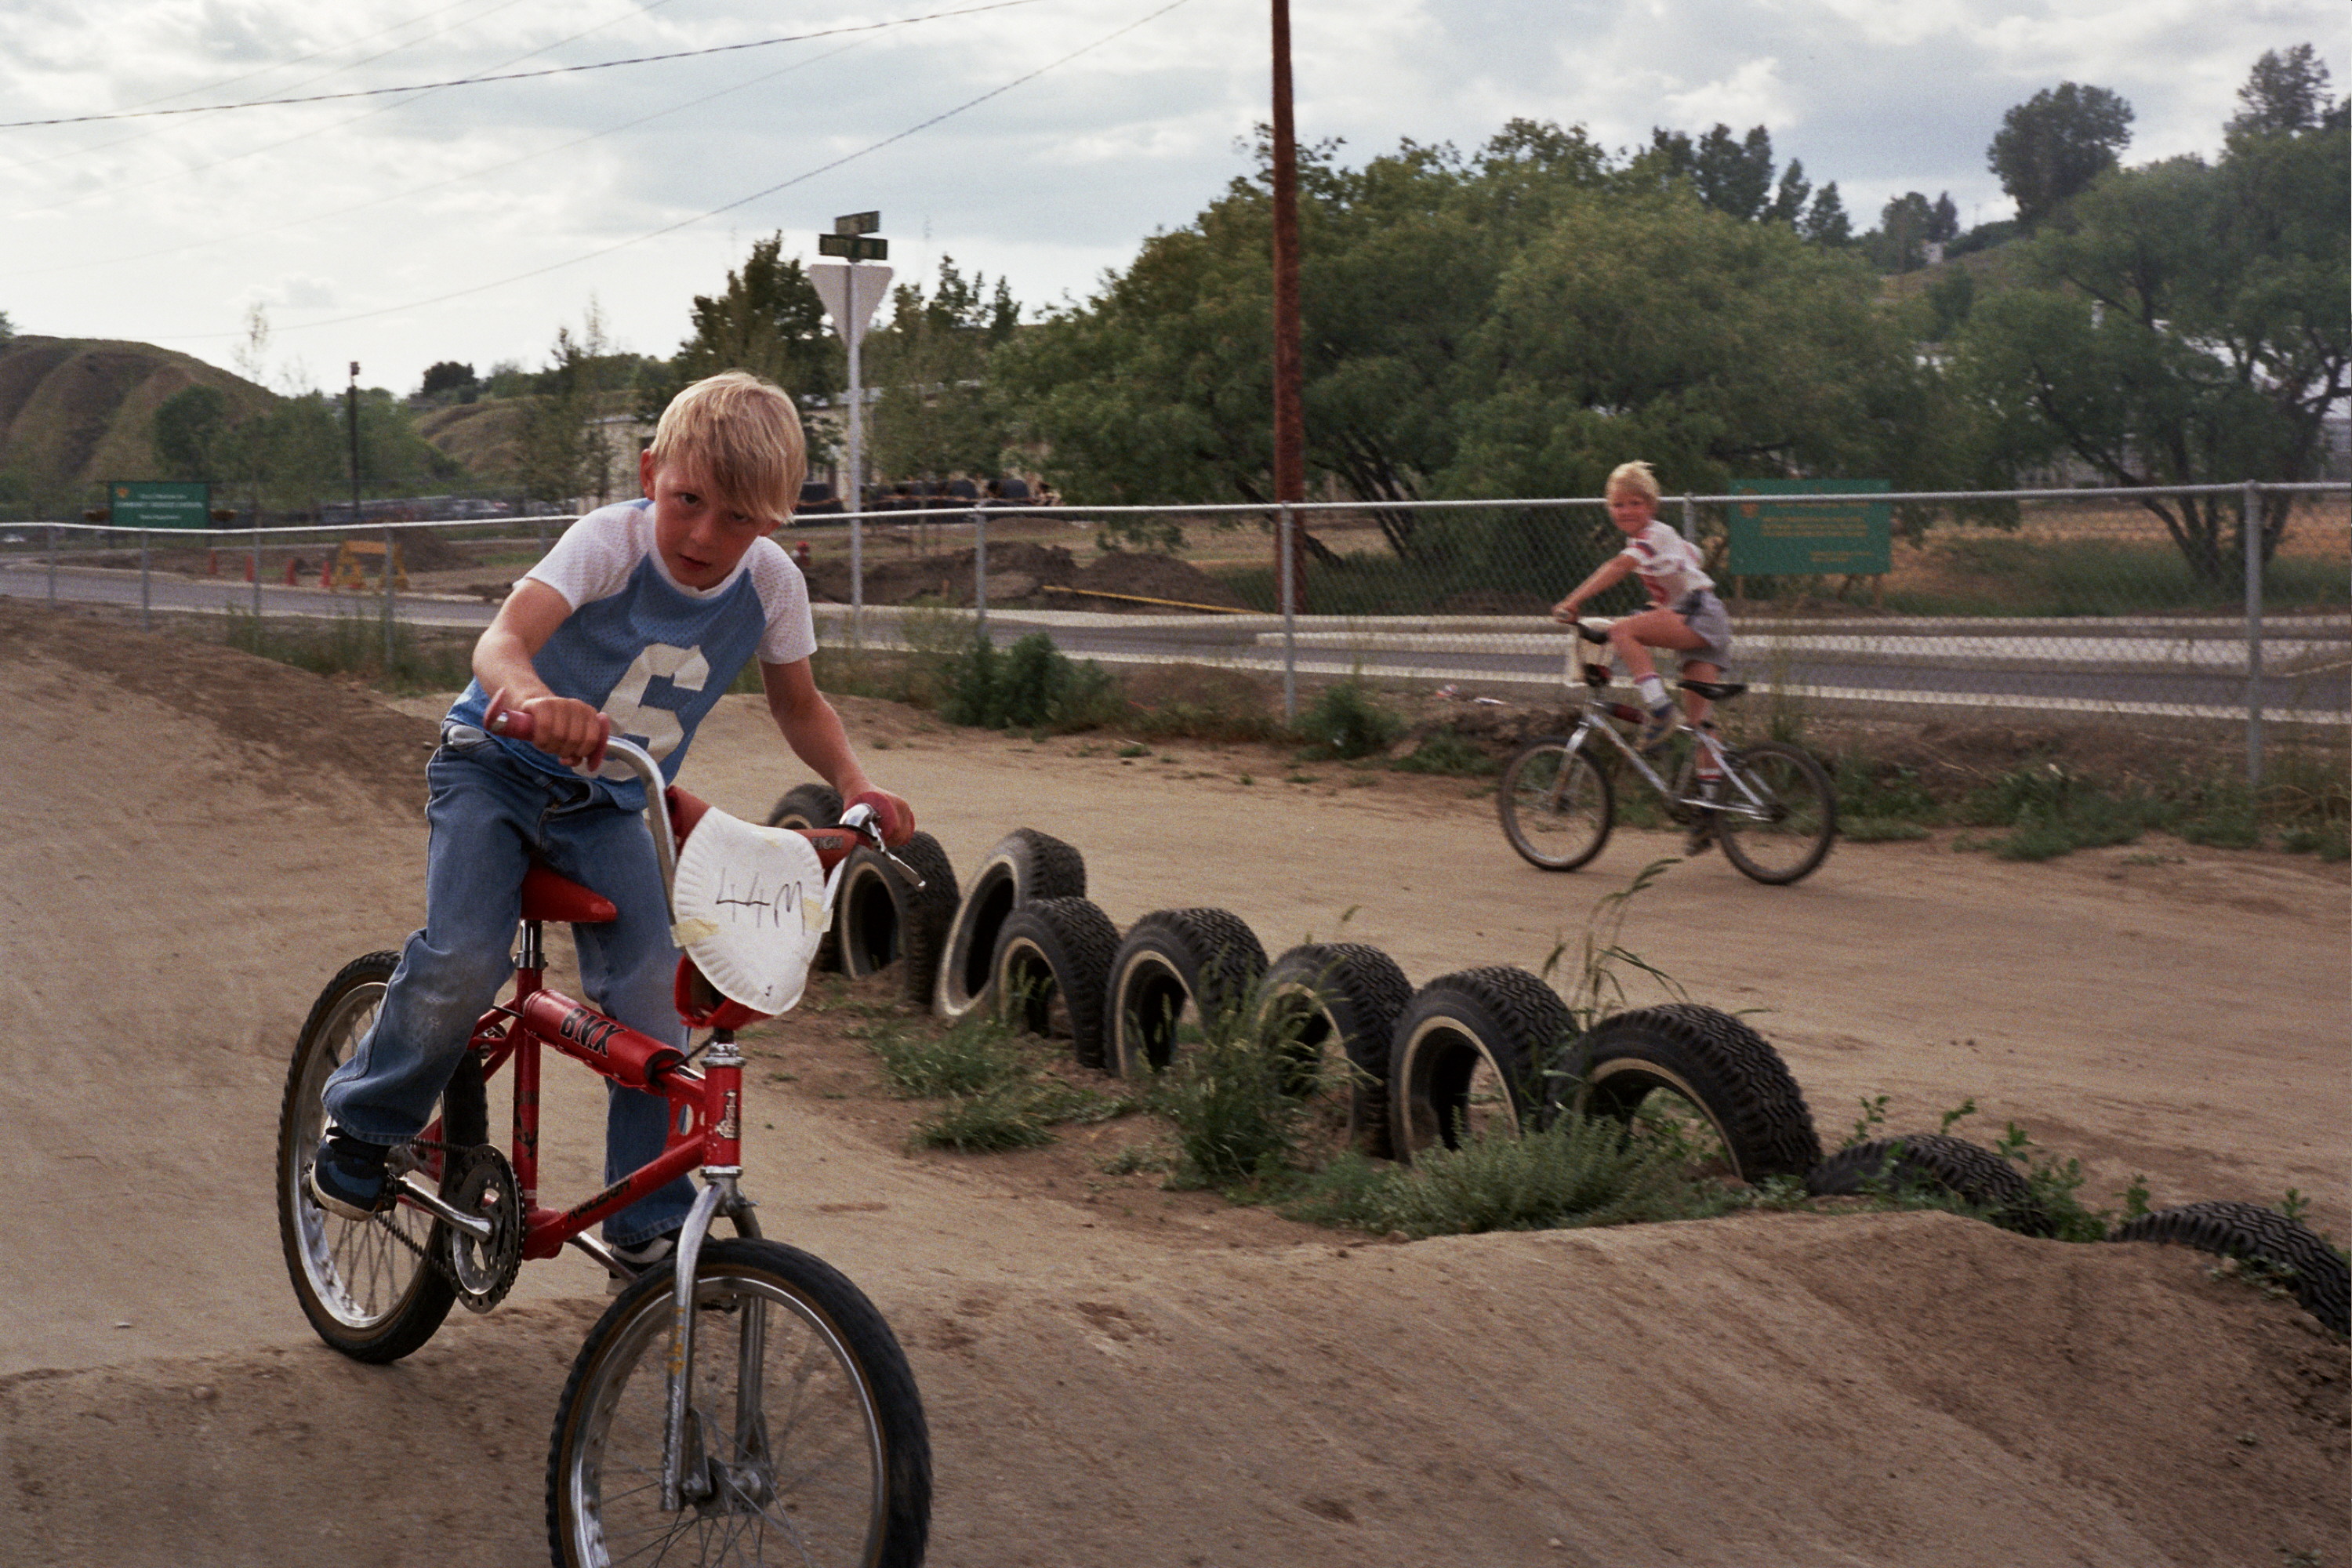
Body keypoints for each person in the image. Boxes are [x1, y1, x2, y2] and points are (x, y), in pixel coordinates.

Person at [313, 370, 913, 1275]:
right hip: (497, 769)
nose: (707, 534)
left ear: (779, 519)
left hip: (611, 804)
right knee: (468, 956)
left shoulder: (773, 586)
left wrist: (856, 783)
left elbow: (799, 703)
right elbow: (500, 642)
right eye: (689, 501)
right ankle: (361, 1123)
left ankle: (646, 1217)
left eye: (741, 518)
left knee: (652, 990)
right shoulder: (609, 543)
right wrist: (533, 697)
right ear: (649, 473)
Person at [1550, 460, 1734, 849]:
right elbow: (1692, 560)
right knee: (1702, 724)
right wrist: (1662, 605)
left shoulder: (1651, 537)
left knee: (1621, 630)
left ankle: (1659, 710)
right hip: (1707, 619)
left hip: (1699, 615)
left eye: (1635, 503)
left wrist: (1574, 600)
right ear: (1609, 509)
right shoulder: (1664, 539)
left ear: (1651, 506)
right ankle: (1708, 812)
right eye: (1618, 505)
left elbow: (1620, 566)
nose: (1626, 511)